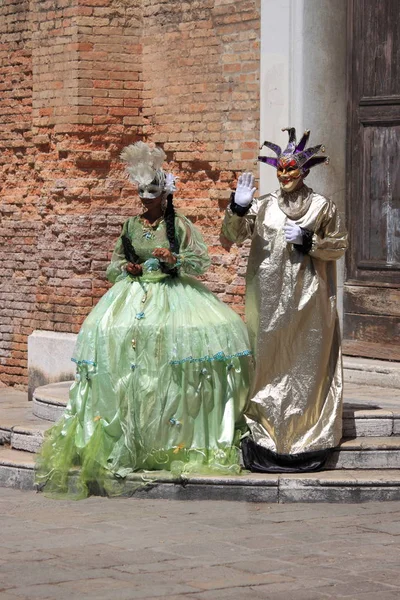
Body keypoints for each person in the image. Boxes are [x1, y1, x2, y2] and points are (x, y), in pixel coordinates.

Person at [36, 141, 253, 497]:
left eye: (151, 191)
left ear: (165, 193)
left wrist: (173, 260)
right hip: (132, 294)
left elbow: (201, 262)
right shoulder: (130, 226)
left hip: (173, 296)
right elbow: (113, 264)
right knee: (112, 336)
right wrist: (128, 267)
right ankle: (125, 429)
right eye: (140, 191)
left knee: (172, 356)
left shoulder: (179, 225)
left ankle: (169, 435)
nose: (144, 197)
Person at [221, 128, 348, 472]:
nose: (286, 174)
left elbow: (338, 246)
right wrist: (237, 207)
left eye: (292, 169)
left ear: (305, 171)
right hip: (269, 301)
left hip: (310, 302)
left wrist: (309, 241)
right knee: (271, 364)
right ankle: (268, 437)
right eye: (280, 169)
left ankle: (307, 437)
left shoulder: (323, 207)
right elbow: (229, 238)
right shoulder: (262, 207)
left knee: (306, 364)